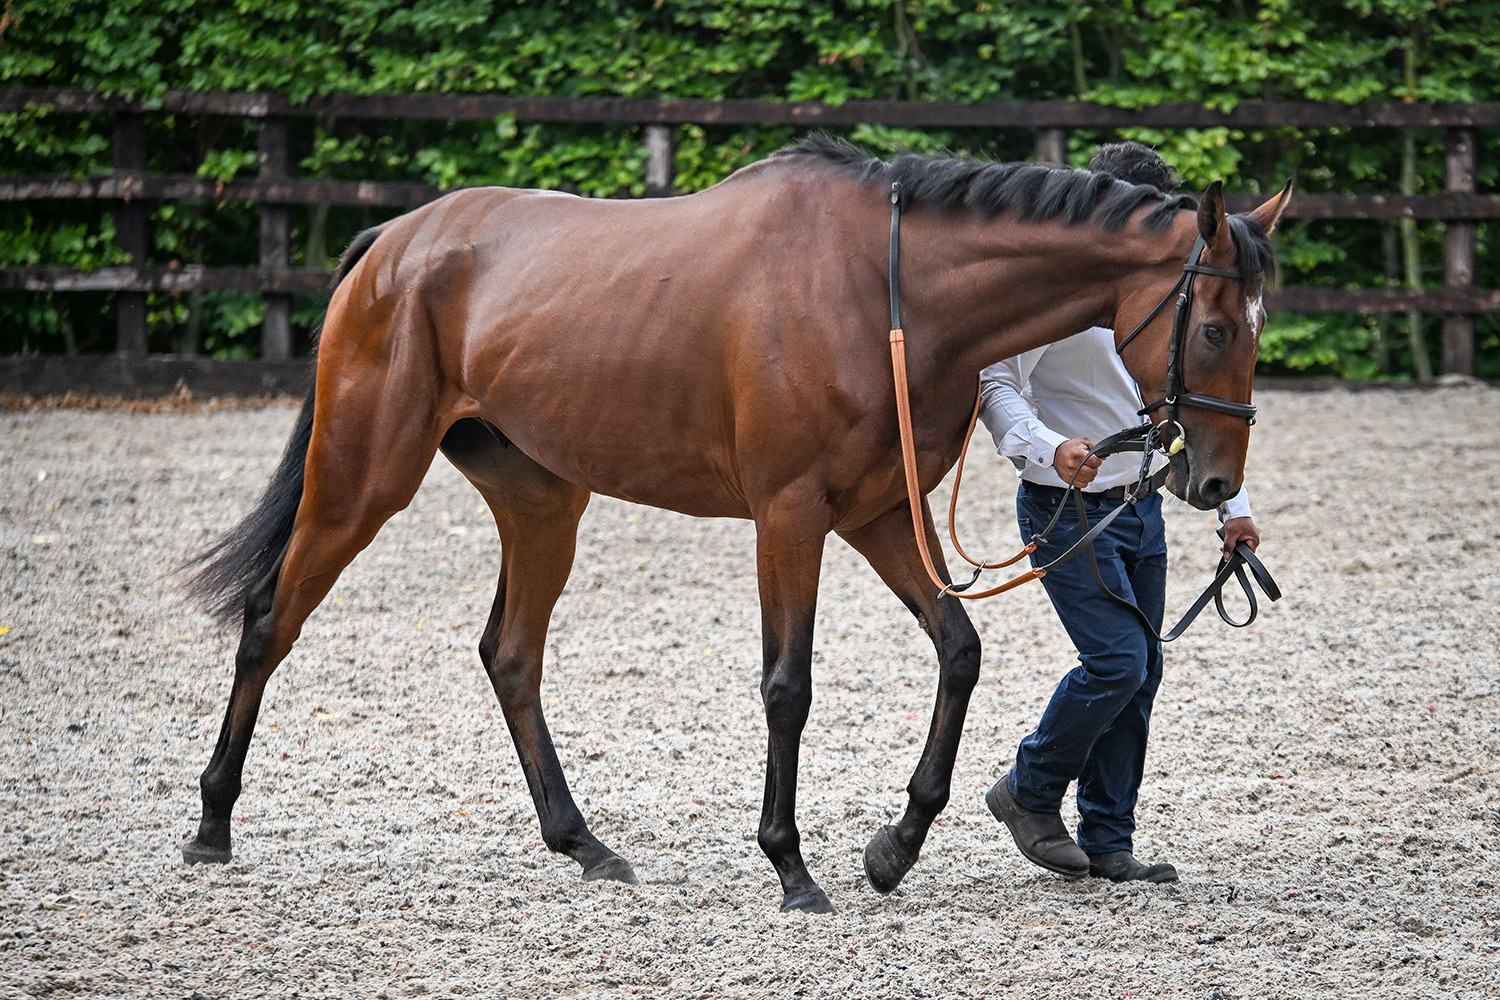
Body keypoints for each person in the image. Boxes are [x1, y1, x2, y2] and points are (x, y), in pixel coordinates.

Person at [978, 141, 1260, 884]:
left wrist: (1234, 504)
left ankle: (1109, 839)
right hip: (1065, 504)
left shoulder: (1170, 293)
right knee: (1117, 662)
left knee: (1143, 672)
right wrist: (1046, 447)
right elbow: (997, 385)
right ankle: (1027, 792)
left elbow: (1197, 400)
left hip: (1141, 504)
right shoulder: (1052, 292)